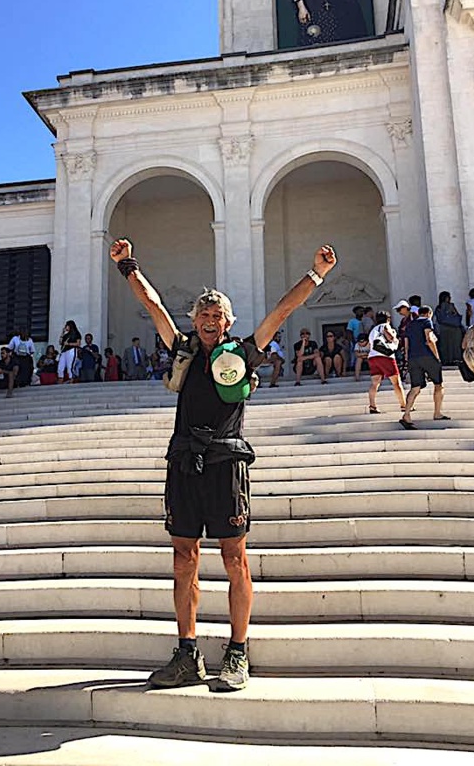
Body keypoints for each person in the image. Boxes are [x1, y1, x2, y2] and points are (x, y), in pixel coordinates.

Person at [110, 236, 337, 692]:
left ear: (228, 322)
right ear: (195, 320)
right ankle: (187, 653)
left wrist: (317, 274)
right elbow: (154, 305)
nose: (211, 321)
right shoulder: (182, 349)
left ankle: (237, 652)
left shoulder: (242, 352)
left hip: (226, 463)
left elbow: (282, 312)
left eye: (218, 316)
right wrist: (127, 265)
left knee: (235, 557)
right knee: (183, 558)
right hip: (183, 463)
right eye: (204, 315)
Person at [400, 305, 449, 429]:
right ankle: (437, 413)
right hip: (427, 356)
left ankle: (406, 414)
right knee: (439, 384)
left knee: (415, 388)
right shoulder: (427, 321)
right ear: (429, 313)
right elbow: (429, 339)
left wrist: (406, 358)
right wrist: (437, 357)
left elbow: (406, 343)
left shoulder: (410, 324)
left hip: (413, 358)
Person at [367, 311, 406, 414]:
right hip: (386, 357)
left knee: (375, 383)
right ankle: (404, 405)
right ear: (388, 319)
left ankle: (372, 406)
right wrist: (395, 340)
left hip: (372, 357)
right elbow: (390, 337)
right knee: (396, 382)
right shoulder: (385, 326)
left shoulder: (372, 331)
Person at [433, 291, 464, 365]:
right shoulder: (450, 306)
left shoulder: (438, 307)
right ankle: (455, 359)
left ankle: (446, 360)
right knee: (454, 345)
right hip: (454, 329)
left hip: (443, 329)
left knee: (445, 346)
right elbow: (456, 315)